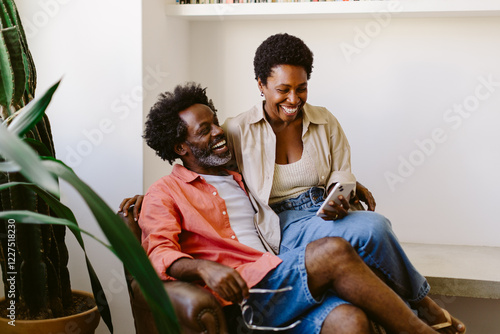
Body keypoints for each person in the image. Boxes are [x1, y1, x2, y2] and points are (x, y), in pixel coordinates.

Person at [128, 82, 464, 334]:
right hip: (247, 294)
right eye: (205, 130)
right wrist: (203, 268)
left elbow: (291, 180)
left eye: (216, 122)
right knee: (332, 251)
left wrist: (343, 183)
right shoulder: (164, 193)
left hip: (278, 279)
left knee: (351, 320)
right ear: (180, 147)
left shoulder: (241, 172)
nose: (219, 132)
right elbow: (158, 253)